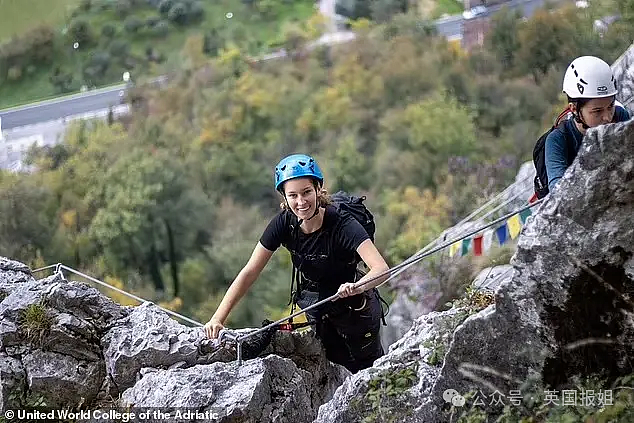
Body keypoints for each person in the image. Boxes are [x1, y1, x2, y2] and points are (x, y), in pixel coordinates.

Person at [204, 153, 390, 373]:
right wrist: (218, 318)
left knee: (369, 369)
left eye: (306, 192)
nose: (301, 202)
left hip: (356, 310)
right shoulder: (284, 224)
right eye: (293, 195)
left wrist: (356, 287)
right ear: (284, 197)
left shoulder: (342, 225)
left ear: (318, 190)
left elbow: (381, 270)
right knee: (335, 364)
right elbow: (250, 272)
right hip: (318, 307)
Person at [545, 56, 631, 193]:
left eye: (610, 106)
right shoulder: (557, 140)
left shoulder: (619, 116)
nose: (607, 117)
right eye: (597, 111)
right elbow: (558, 192)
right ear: (574, 109)